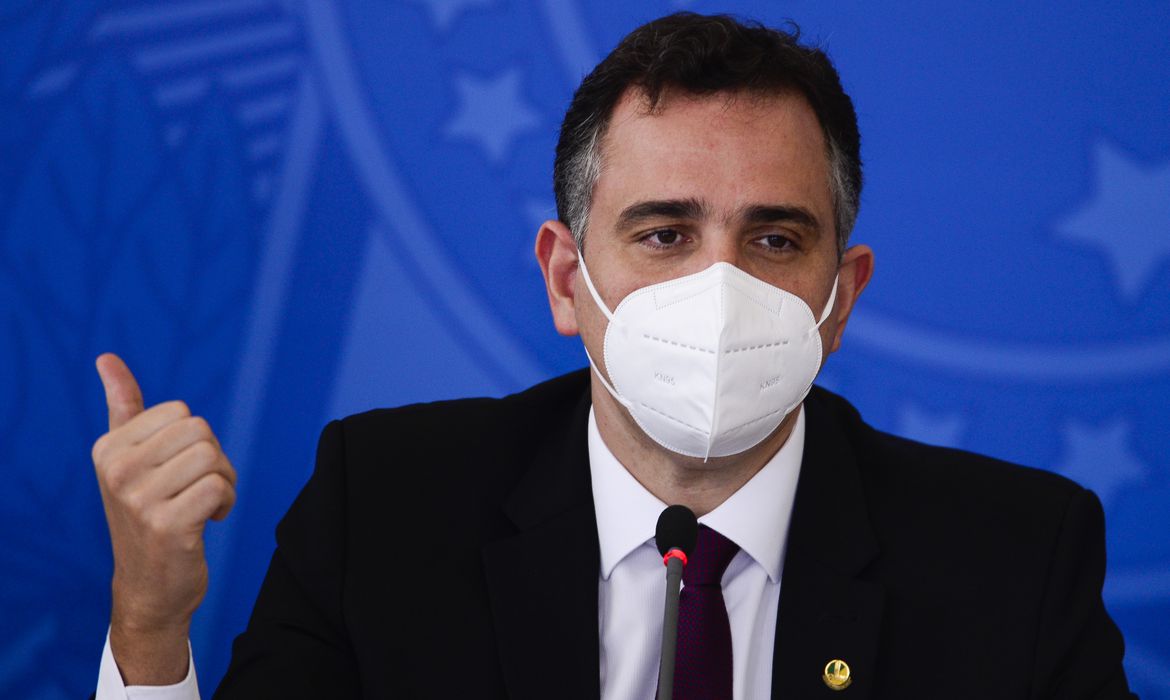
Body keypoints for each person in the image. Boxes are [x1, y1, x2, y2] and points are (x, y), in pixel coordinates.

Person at [91, 12, 1135, 699]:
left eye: (775, 240)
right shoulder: (387, 508)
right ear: (564, 279)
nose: (719, 288)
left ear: (841, 298)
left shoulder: (1014, 557)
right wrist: (148, 627)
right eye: (664, 234)